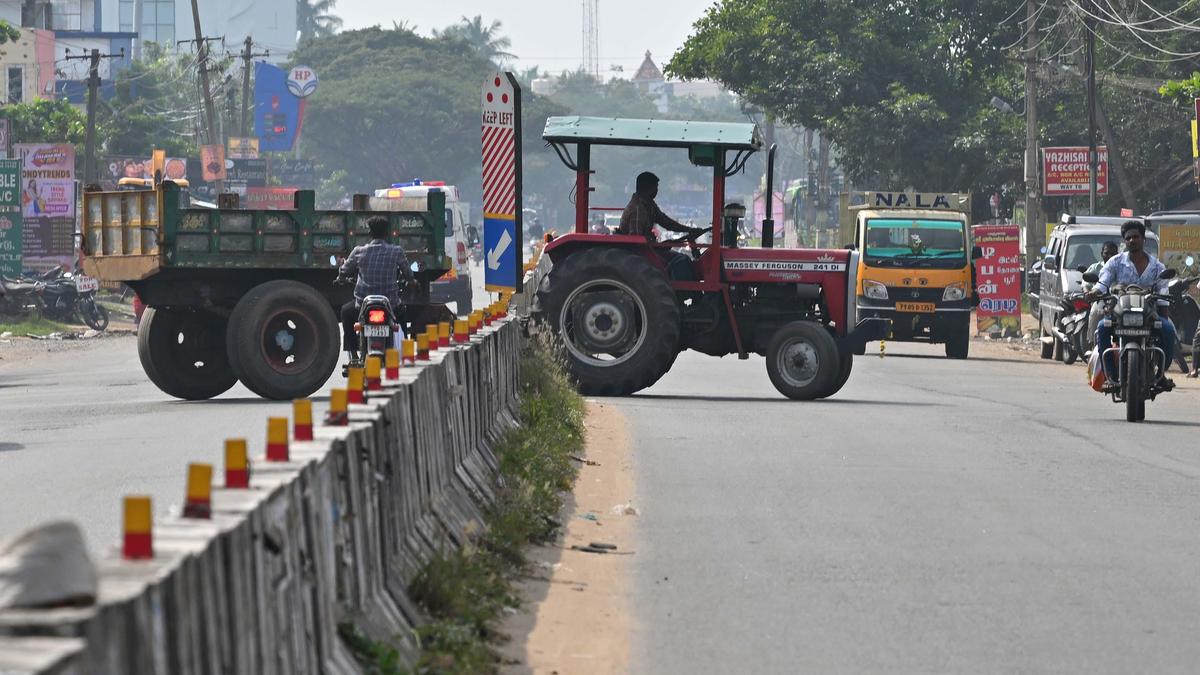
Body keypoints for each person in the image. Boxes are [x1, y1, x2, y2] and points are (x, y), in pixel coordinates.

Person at [1088, 220, 1176, 389]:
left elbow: (1163, 293)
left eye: (1135, 237)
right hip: (1119, 313)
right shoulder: (1115, 262)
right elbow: (1103, 282)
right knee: (1102, 329)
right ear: (1124, 241)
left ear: (1143, 239)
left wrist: (1162, 317)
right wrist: (1094, 292)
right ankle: (1110, 375)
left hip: (1149, 314)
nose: (1132, 240)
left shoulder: (1157, 267)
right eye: (1128, 238)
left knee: (1168, 330)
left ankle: (1161, 374)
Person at [336, 216, 415, 361]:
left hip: (362, 305)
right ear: (387, 233)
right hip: (391, 304)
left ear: (370, 233)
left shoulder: (359, 251)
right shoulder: (396, 251)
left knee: (346, 312)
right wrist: (412, 282)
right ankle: (406, 355)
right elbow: (408, 273)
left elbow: (344, 271)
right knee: (402, 315)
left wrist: (340, 279)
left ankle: (353, 355)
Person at [617, 171, 706, 278]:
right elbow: (636, 243)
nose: (657, 191)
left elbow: (666, 222)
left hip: (649, 248)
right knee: (679, 262)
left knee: (682, 259)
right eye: (655, 187)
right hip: (640, 254)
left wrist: (689, 230)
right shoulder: (637, 209)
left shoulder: (649, 204)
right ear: (648, 188)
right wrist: (658, 247)